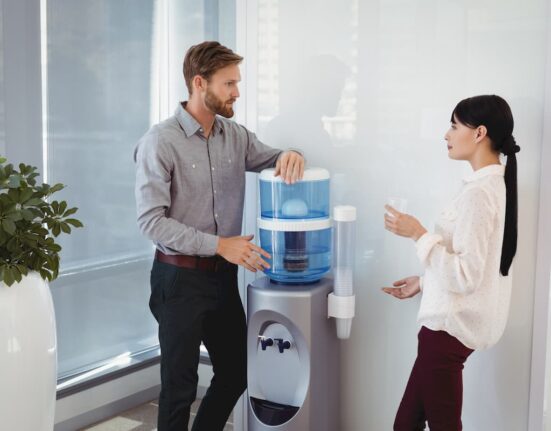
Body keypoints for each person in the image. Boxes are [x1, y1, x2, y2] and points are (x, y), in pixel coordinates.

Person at [134, 41, 305, 431]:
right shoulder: (160, 141)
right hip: (178, 279)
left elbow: (274, 156)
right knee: (180, 386)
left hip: (222, 278)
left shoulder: (236, 136)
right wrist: (219, 245)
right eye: (229, 84)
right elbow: (151, 222)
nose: (237, 93)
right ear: (200, 83)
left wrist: (290, 155)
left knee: (236, 372)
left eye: (237, 83)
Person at [382, 95, 519, 431]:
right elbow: (478, 267)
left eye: (454, 125)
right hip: (446, 331)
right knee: (406, 424)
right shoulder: (492, 185)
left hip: (447, 333)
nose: (446, 134)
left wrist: (419, 234)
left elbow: (466, 276)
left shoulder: (479, 194)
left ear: (479, 133)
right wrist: (425, 282)